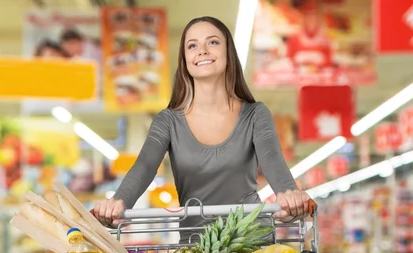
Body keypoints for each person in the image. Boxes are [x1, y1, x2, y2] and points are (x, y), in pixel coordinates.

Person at [93, 16, 310, 237]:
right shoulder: (168, 121)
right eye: (192, 45)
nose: (202, 51)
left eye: (213, 42)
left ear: (229, 53)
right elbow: (145, 165)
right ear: (185, 59)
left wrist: (288, 194)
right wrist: (120, 200)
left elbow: (272, 160)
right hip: (195, 249)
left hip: (252, 242)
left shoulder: (255, 114)